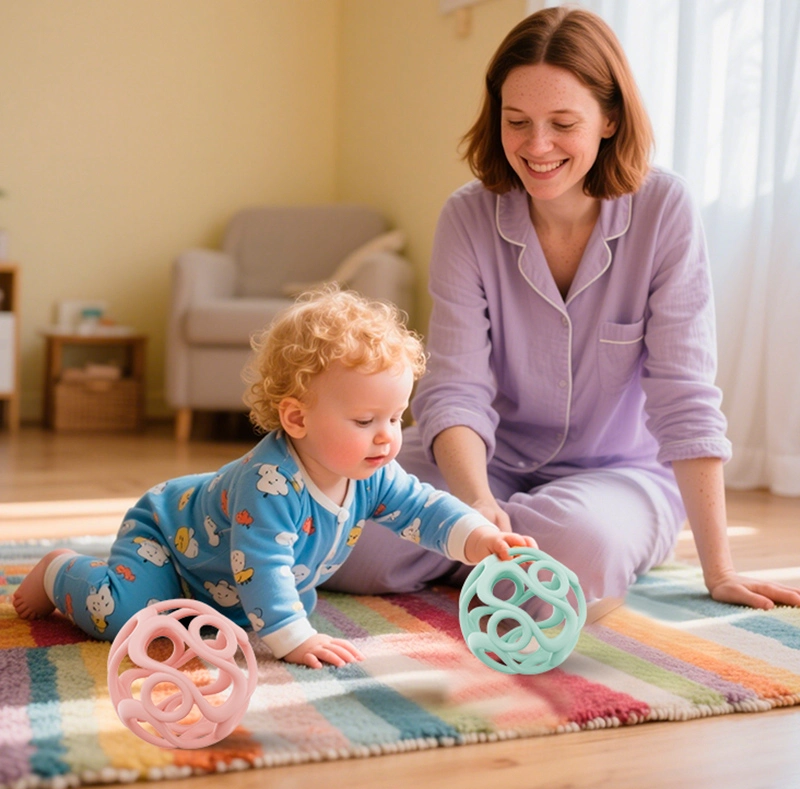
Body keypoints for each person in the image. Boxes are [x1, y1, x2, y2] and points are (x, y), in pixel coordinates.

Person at [325, 6, 800, 611]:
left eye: (562, 123)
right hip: (480, 465)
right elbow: (456, 390)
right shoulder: (467, 217)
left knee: (581, 544)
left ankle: (492, 556)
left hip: (616, 478)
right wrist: (472, 505)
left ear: (609, 120)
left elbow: (684, 395)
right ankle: (499, 558)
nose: (537, 146)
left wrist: (721, 569)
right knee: (345, 538)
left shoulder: (665, 210)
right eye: (517, 121)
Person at [13, 287, 536, 668]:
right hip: (167, 541)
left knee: (228, 623)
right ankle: (62, 571)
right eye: (364, 421)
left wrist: (478, 536)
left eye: (396, 417)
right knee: (126, 618)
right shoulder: (271, 482)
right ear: (297, 419)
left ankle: (223, 613)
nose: (387, 437)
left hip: (224, 586)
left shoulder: (371, 470)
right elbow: (261, 562)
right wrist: (292, 640)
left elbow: (423, 508)